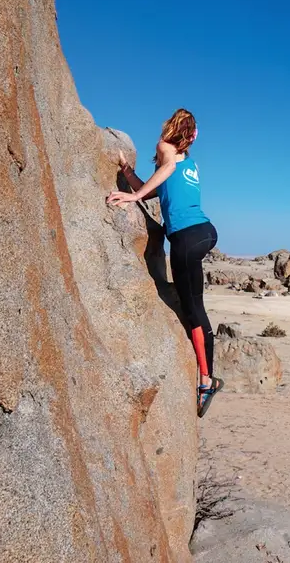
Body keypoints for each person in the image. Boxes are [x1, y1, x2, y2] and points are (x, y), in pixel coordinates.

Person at [107, 108, 223, 418]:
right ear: (193, 136)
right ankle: (209, 377)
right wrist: (128, 172)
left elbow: (163, 169)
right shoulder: (188, 163)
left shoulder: (166, 149)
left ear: (170, 130)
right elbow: (154, 186)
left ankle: (205, 381)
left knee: (193, 310)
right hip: (204, 233)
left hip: (187, 238)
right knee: (196, 307)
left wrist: (132, 197)